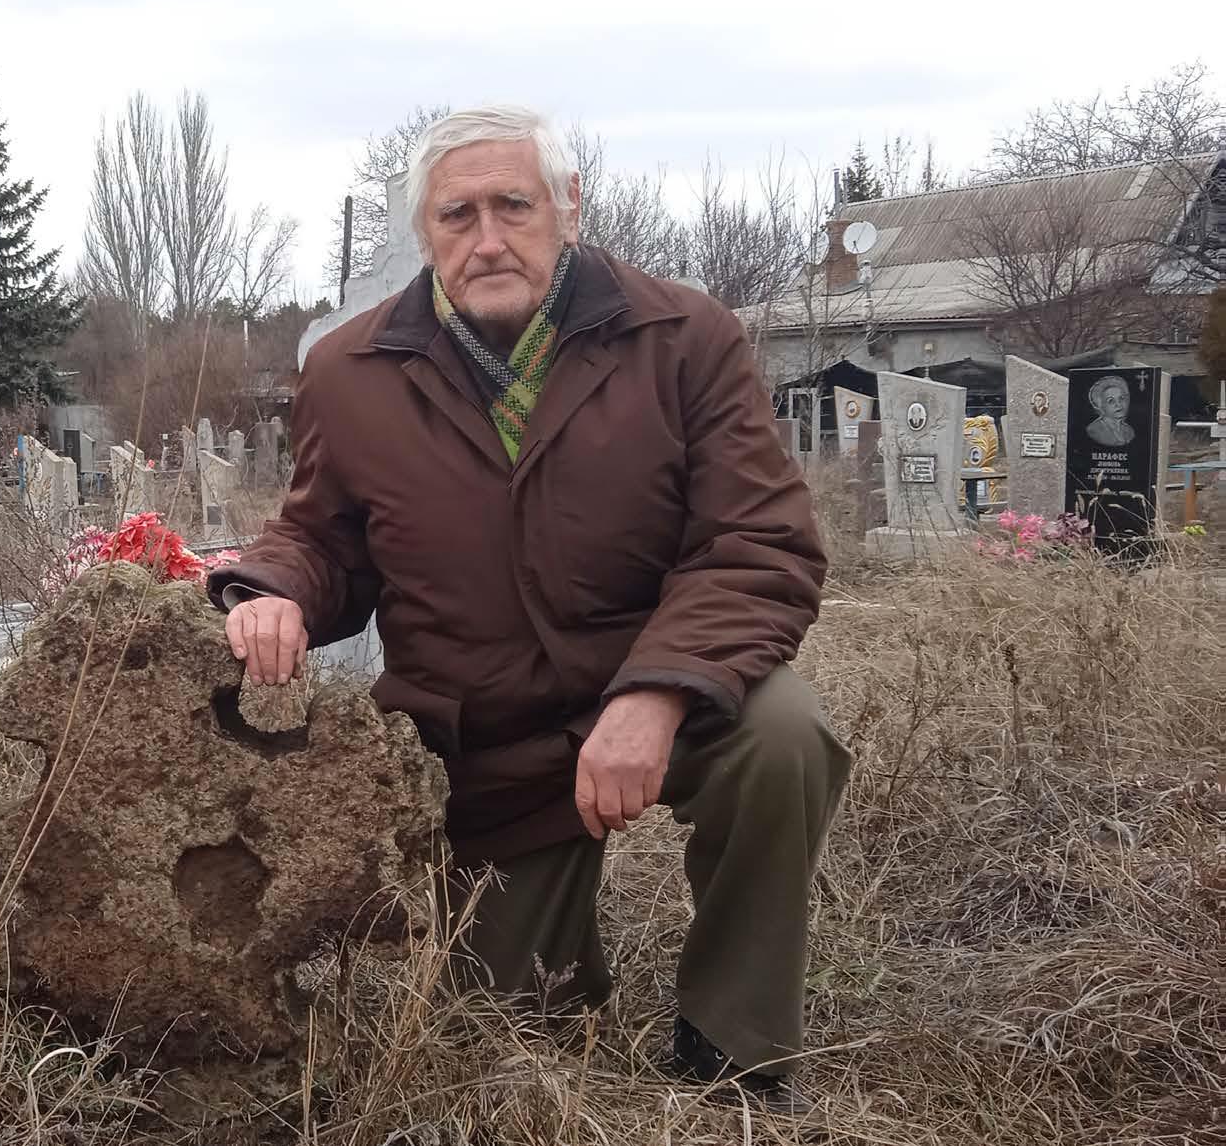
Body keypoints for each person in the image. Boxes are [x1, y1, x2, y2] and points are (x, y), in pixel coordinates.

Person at [209, 105, 848, 1110]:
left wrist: (656, 694)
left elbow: (756, 542)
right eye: (457, 214)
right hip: (486, 740)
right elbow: (325, 539)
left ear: (570, 207)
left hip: (661, 692)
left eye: (515, 204)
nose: (489, 237)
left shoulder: (683, 338)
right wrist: (272, 590)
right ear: (426, 233)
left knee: (783, 734)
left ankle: (734, 1044)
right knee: (511, 1032)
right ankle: (556, 969)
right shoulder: (350, 371)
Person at [1084, 375, 1135, 447]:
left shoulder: (1129, 431)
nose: (1118, 404)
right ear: (1100, 405)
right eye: (1111, 401)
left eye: (1121, 398)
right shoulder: (1094, 430)